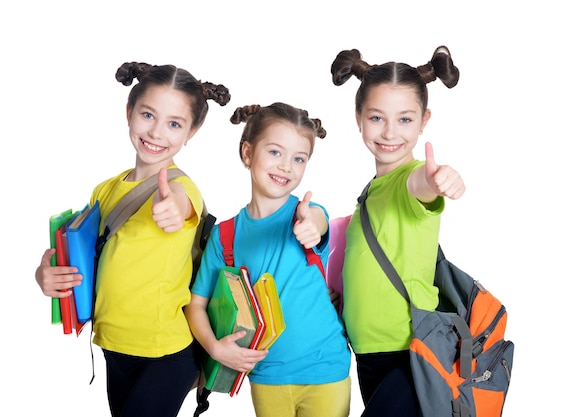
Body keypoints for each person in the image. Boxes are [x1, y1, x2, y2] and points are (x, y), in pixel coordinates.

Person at [34, 61, 231, 417]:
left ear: (192, 132)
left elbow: (181, 206)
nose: (157, 132)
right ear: (129, 112)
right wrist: (45, 274)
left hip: (166, 351)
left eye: (174, 124)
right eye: (148, 115)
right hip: (113, 344)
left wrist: (171, 209)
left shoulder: (182, 189)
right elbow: (79, 254)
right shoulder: (105, 190)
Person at [185, 102, 352, 417]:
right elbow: (195, 305)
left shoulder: (304, 216)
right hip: (265, 376)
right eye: (275, 152)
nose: (286, 166)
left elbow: (319, 221)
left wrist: (313, 227)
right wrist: (215, 347)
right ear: (247, 153)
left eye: (298, 158)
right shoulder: (224, 236)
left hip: (325, 369)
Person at [330, 46, 466, 417]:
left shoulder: (409, 178)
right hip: (368, 352)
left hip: (411, 351)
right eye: (377, 117)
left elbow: (420, 185)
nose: (390, 132)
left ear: (424, 121)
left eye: (405, 120)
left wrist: (438, 179)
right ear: (358, 118)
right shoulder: (369, 193)